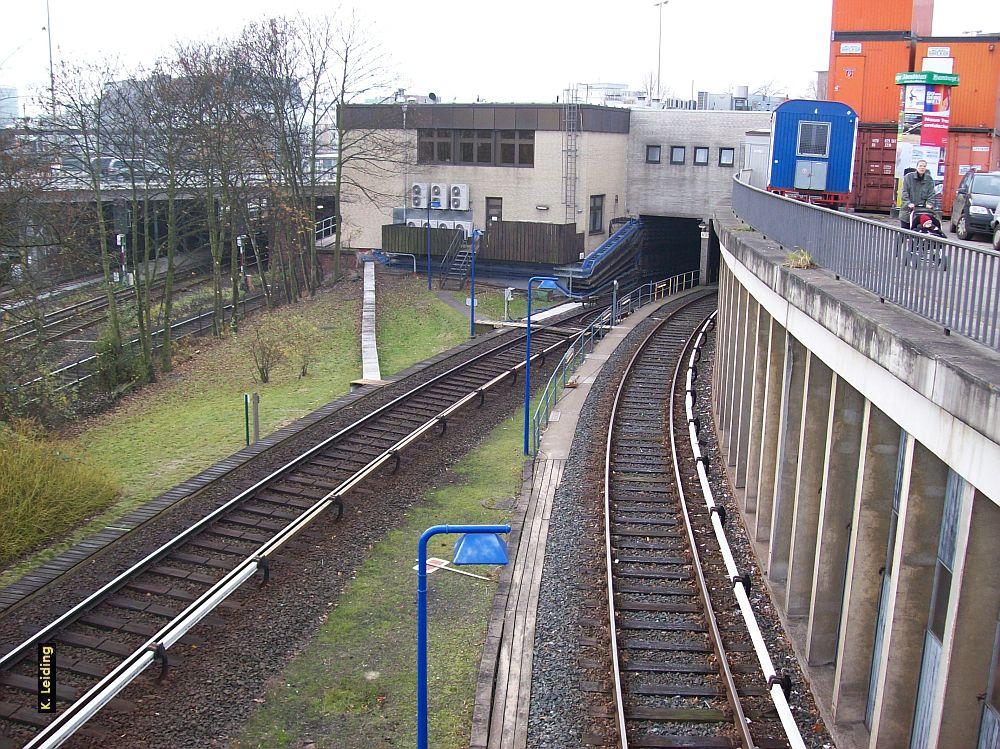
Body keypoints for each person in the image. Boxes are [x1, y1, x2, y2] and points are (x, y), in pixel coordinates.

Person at [900, 159, 936, 229]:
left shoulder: (929, 179)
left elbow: (931, 194)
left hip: (922, 210)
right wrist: (908, 203)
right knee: (905, 230)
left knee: (921, 229)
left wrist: (929, 203)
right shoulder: (908, 177)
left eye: (924, 166)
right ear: (917, 167)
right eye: (920, 166)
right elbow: (904, 192)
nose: (922, 168)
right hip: (908, 210)